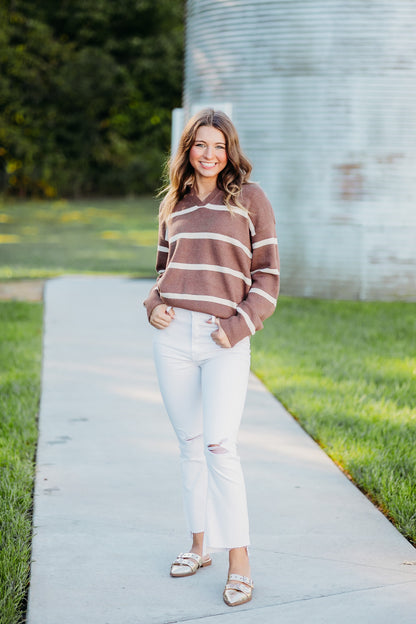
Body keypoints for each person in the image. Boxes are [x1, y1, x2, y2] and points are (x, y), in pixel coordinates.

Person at [144, 108, 279, 607]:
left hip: (225, 338)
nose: (209, 154)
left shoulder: (251, 199)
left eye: (219, 146)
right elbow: (162, 270)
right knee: (189, 443)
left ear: (230, 151)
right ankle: (199, 546)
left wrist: (239, 325)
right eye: (200, 144)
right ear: (188, 149)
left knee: (220, 446)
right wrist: (154, 304)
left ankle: (238, 562)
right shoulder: (173, 204)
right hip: (173, 336)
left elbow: (267, 275)